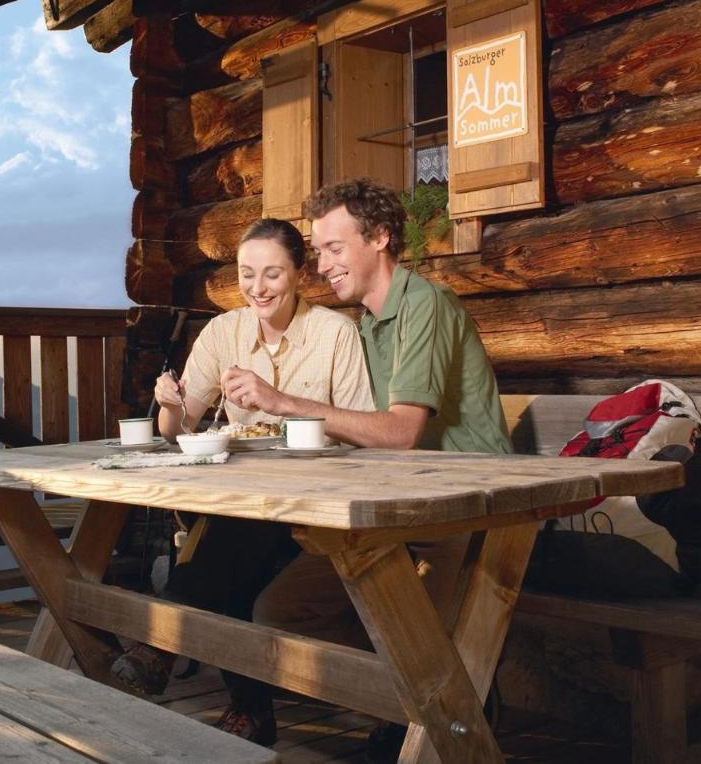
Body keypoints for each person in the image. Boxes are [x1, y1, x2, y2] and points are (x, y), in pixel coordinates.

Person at [218, 179, 512, 749]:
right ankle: (428, 696)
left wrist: (282, 403)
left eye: (334, 247)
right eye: (318, 250)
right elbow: (365, 433)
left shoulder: (423, 304)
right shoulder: (368, 325)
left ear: (379, 238)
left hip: (470, 507)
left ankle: (438, 709)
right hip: (405, 504)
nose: (323, 265)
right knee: (280, 611)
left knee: (398, 617)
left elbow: (400, 433)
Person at [109, 217, 375, 747]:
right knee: (237, 538)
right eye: (247, 274)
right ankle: (243, 703)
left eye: (273, 273)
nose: (258, 287)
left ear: (300, 273)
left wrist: (280, 404)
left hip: (317, 499)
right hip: (247, 498)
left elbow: (362, 429)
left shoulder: (334, 334)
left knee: (228, 544)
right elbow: (182, 426)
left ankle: (173, 646)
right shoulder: (223, 332)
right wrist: (169, 405)